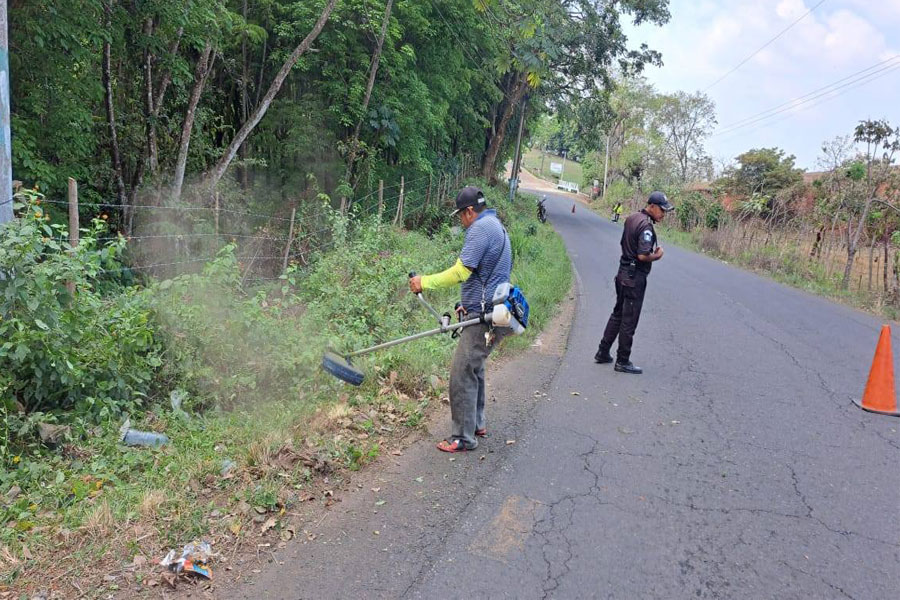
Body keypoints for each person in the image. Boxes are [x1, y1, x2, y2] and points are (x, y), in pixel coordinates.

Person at [409, 186, 512, 452]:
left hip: (485, 316)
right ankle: (477, 423)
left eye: (460, 216)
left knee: (462, 372)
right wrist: (468, 303)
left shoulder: (480, 229)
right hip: (492, 310)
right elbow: (488, 275)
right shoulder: (496, 225)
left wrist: (424, 282)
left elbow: (460, 273)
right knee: (475, 368)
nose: (461, 221)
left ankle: (463, 438)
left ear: (468, 212)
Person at [594, 191, 674, 374]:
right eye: (662, 210)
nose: (663, 214)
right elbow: (642, 255)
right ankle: (623, 360)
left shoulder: (632, 218)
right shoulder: (646, 226)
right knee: (629, 320)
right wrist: (657, 256)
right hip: (634, 277)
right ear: (652, 206)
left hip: (622, 273)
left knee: (618, 314)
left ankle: (602, 351)